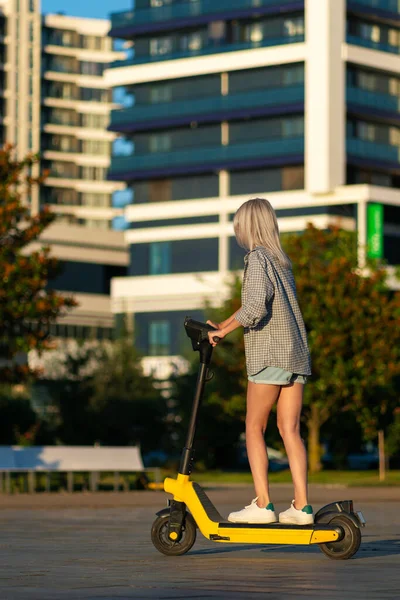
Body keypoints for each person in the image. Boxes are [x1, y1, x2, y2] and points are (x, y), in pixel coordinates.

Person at [207, 198, 313, 525]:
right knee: (289, 430)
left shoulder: (256, 259)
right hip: (296, 356)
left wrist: (225, 333)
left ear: (247, 225)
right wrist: (222, 326)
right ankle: (302, 506)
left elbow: (254, 310)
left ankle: (264, 504)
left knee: (254, 426)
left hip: (270, 355)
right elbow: (262, 305)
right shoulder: (282, 261)